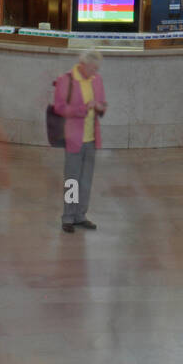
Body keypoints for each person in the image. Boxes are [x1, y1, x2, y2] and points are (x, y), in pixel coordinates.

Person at [50, 50, 108, 234]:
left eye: (97, 68)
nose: (95, 72)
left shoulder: (96, 80)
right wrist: (82, 109)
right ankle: (68, 217)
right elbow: (59, 108)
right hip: (73, 138)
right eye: (92, 68)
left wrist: (99, 107)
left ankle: (80, 215)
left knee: (85, 180)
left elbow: (102, 104)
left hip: (92, 138)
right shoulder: (66, 80)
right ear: (82, 65)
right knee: (72, 181)